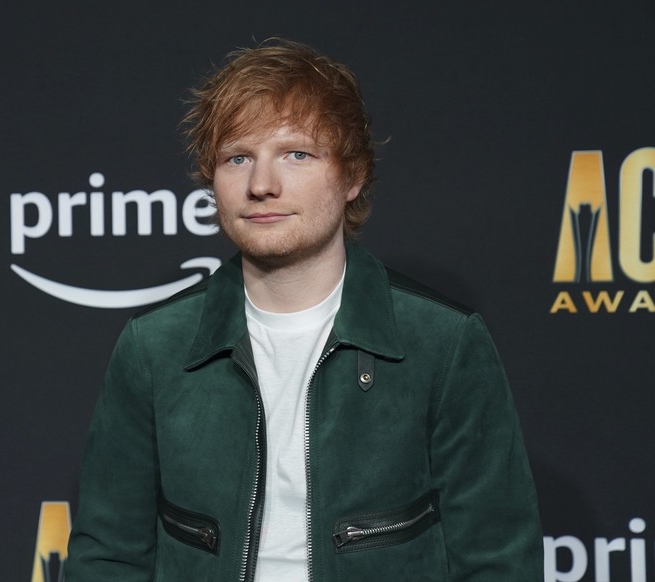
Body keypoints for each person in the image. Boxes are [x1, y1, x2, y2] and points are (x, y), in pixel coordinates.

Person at [65, 38, 543, 581]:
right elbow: (107, 559)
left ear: (353, 175)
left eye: (297, 154)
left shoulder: (443, 343)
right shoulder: (154, 346)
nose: (261, 185)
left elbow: (499, 561)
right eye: (237, 157)